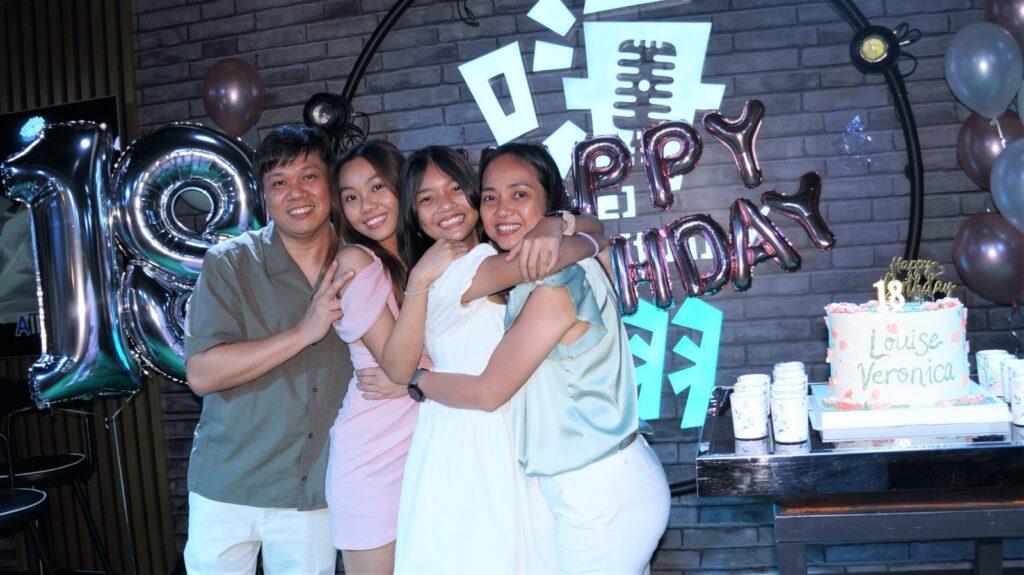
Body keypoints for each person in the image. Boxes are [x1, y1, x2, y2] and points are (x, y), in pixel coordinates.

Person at [403, 143, 671, 574]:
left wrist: (416, 379)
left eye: (520, 194)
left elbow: (489, 391)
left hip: (599, 491)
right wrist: (573, 229)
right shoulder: (542, 270)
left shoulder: (555, 287)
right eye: (490, 197)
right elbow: (593, 236)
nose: (502, 209)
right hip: (589, 485)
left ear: (549, 204)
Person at [372, 145, 607, 574]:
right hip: (474, 446)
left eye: (457, 189)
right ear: (413, 212)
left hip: (484, 433)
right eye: (426, 198)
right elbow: (552, 258)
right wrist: (587, 236)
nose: (445, 205)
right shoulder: (463, 268)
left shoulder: (467, 263)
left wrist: (558, 223)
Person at [182, 125, 352, 574]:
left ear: (331, 186)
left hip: (310, 494)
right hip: (227, 488)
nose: (295, 193)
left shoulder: (359, 262)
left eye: (309, 176)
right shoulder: (231, 263)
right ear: (263, 197)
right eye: (279, 182)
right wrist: (303, 332)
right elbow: (201, 374)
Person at [324, 140, 429, 574]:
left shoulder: (424, 256)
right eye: (350, 197)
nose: (366, 206)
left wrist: (564, 225)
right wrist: (414, 379)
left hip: (430, 456)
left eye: (377, 187)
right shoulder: (355, 261)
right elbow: (396, 365)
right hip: (372, 460)